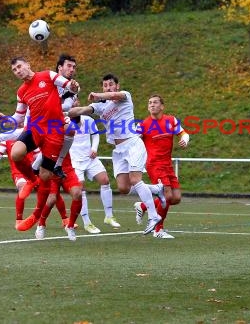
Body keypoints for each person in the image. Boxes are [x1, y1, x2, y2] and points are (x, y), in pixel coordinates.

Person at [67, 74, 166, 235]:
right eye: (105, 85)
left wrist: (99, 95)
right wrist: (62, 111)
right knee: (123, 187)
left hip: (132, 144)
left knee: (135, 179)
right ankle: (156, 189)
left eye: (110, 84)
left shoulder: (125, 96)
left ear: (117, 86)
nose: (108, 87)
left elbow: (113, 95)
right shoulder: (100, 107)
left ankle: (154, 216)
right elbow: (82, 110)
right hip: (118, 151)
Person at [7, 57, 81, 240]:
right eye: (14, 70)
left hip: (54, 131)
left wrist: (74, 87)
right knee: (16, 153)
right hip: (36, 128)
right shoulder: (21, 91)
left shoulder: (47, 75)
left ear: (28, 65)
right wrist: (6, 120)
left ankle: (36, 216)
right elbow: (18, 117)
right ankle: (31, 180)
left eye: (19, 66)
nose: (18, 71)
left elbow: (69, 85)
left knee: (46, 176)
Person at [136, 94, 190, 239]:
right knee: (167, 196)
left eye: (155, 102)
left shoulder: (171, 120)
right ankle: (158, 230)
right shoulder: (143, 125)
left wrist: (185, 140)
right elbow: (133, 142)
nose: (152, 105)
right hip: (154, 165)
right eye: (149, 103)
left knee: (176, 198)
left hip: (168, 164)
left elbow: (184, 133)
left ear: (162, 106)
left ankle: (142, 206)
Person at [69, 109, 121, 233]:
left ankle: (109, 216)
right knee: (80, 190)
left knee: (105, 180)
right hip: (74, 162)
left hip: (90, 159)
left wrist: (94, 148)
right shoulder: (64, 122)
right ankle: (87, 223)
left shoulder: (88, 119)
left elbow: (96, 134)